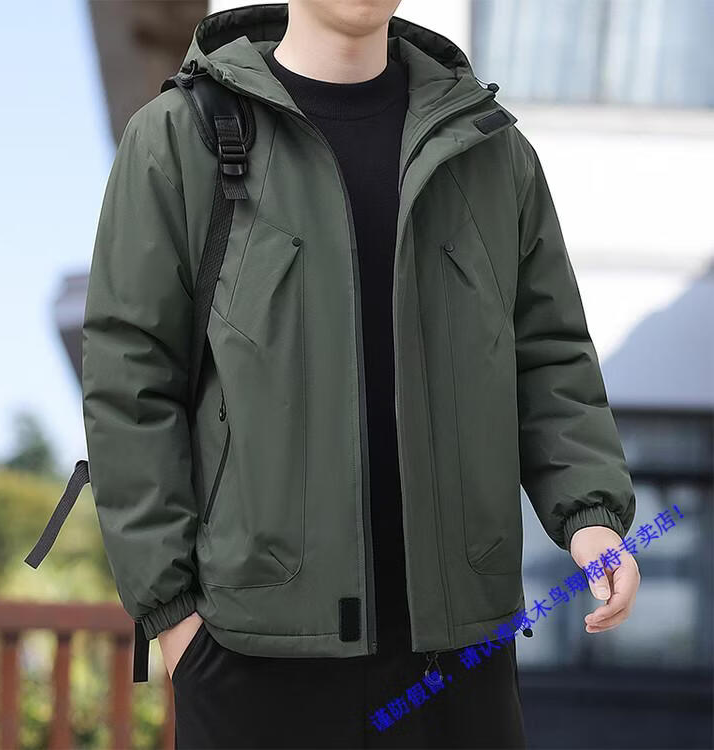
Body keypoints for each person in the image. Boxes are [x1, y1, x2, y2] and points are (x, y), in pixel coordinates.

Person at [80, 1, 640, 747]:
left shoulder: (489, 150)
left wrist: (591, 513)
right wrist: (176, 621)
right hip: (253, 656)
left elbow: (550, 356)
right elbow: (130, 382)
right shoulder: (182, 136)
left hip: (458, 658)